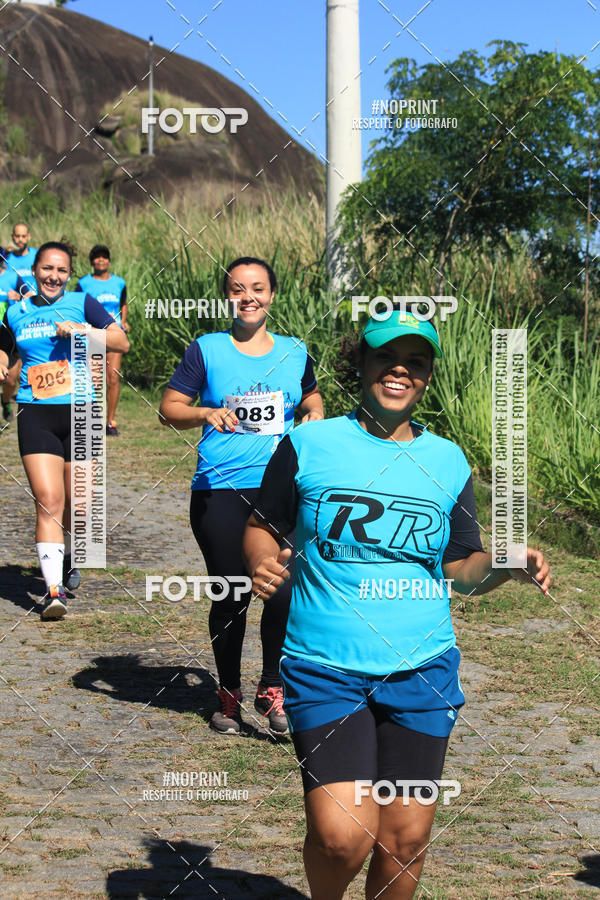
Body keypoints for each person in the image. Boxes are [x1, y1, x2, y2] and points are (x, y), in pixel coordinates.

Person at [243, 311, 550, 900]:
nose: (400, 370)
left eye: (416, 362)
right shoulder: (309, 443)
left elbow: (460, 570)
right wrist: (261, 559)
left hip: (422, 670)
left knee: (404, 841)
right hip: (325, 665)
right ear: (360, 364)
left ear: (428, 377)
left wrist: (505, 564)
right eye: (386, 357)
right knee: (343, 836)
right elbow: (263, 524)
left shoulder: (448, 462)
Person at [159, 257, 324, 735]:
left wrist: (312, 414)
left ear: (272, 294)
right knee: (232, 592)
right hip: (221, 489)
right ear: (226, 297)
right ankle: (227, 694)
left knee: (282, 590)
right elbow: (169, 408)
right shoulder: (206, 349)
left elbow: (310, 397)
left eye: (257, 288)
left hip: (283, 489)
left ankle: (272, 687)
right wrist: (205, 413)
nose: (248, 296)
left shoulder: (295, 351)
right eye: (237, 289)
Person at [0, 241, 129, 619]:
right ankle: (53, 591)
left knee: (79, 505)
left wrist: (86, 331)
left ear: (69, 275)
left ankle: (70, 555)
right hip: (36, 412)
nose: (54, 276)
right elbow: (5, 346)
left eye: (61, 270)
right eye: (47, 269)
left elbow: (121, 340)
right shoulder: (17, 311)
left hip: (82, 415)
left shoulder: (81, 301)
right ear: (34, 271)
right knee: (48, 499)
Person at [76, 245, 129, 436]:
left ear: (108, 260)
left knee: (113, 378)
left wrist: (124, 322)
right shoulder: (83, 284)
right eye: (96, 257)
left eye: (104, 257)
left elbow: (123, 303)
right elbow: (77, 307)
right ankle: (92, 419)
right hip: (93, 336)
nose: (100, 260)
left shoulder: (119, 282)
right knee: (94, 380)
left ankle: (111, 421)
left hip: (113, 336)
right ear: (92, 261)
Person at [0, 246, 21, 421]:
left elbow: (31, 296)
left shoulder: (13, 277)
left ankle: (5, 401)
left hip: (9, 333)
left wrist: (19, 297)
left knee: (11, 379)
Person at [3, 223, 38, 298]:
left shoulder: (38, 255)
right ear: (12, 236)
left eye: (23, 236)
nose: (20, 239)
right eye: (17, 236)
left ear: (28, 236)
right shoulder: (6, 259)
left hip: (36, 302)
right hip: (14, 304)